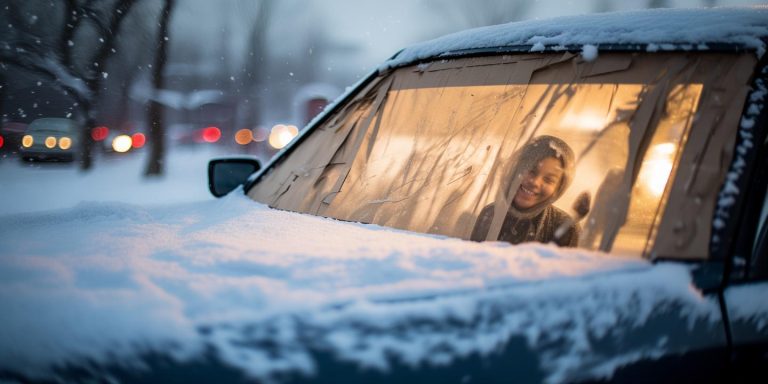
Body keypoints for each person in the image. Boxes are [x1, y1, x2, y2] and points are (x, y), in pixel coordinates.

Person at [470, 135, 580, 247]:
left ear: (559, 188)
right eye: (531, 170)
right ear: (515, 168)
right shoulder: (490, 213)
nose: (535, 182)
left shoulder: (565, 228)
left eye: (548, 180)